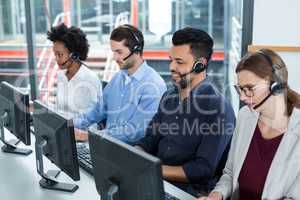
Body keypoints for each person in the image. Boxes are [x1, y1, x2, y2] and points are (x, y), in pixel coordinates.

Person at [135, 27, 236, 196]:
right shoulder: (168, 96)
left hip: (188, 192)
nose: (171, 66)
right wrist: (134, 155)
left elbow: (202, 169)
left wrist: (152, 169)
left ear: (200, 65)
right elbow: (150, 140)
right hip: (156, 182)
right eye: (171, 60)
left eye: (179, 62)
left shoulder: (217, 108)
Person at [198, 49, 300, 200]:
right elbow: (230, 173)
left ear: (276, 86)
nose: (243, 97)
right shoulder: (245, 116)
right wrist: (216, 195)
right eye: (240, 89)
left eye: (250, 89)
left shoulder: (296, 129)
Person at [73, 24, 167, 144]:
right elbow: (96, 111)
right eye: (113, 52)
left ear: (136, 50)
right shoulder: (118, 78)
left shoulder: (153, 85)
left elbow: (136, 131)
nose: (114, 57)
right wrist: (68, 124)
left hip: (129, 155)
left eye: (119, 52)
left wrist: (88, 136)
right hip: (106, 148)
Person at [47, 23, 101, 118]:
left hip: (80, 131)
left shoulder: (89, 79)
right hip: (62, 129)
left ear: (74, 55)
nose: (56, 59)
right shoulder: (62, 74)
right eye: (55, 55)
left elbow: (90, 120)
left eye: (60, 55)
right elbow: (60, 109)